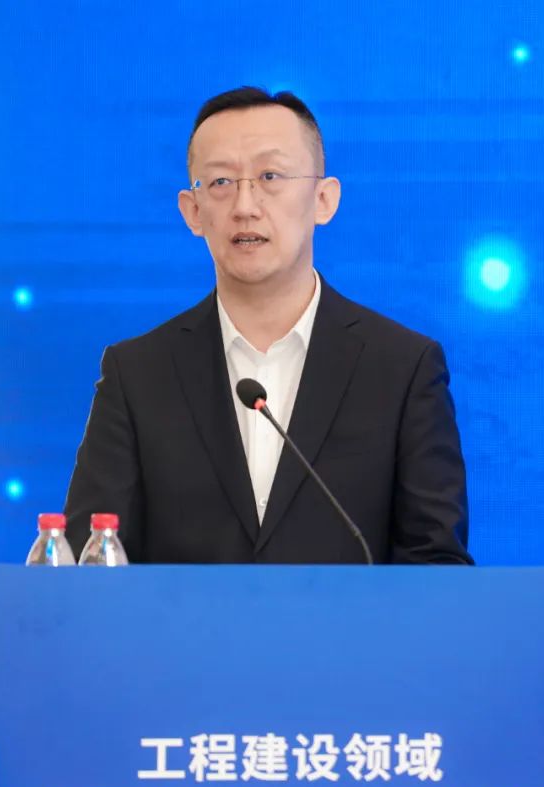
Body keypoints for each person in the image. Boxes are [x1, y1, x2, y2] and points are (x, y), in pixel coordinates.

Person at [63, 86, 473, 564]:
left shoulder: (402, 368)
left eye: (270, 176)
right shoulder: (137, 374)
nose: (245, 205)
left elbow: (436, 566)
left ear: (324, 199)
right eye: (220, 181)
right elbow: (90, 563)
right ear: (192, 212)